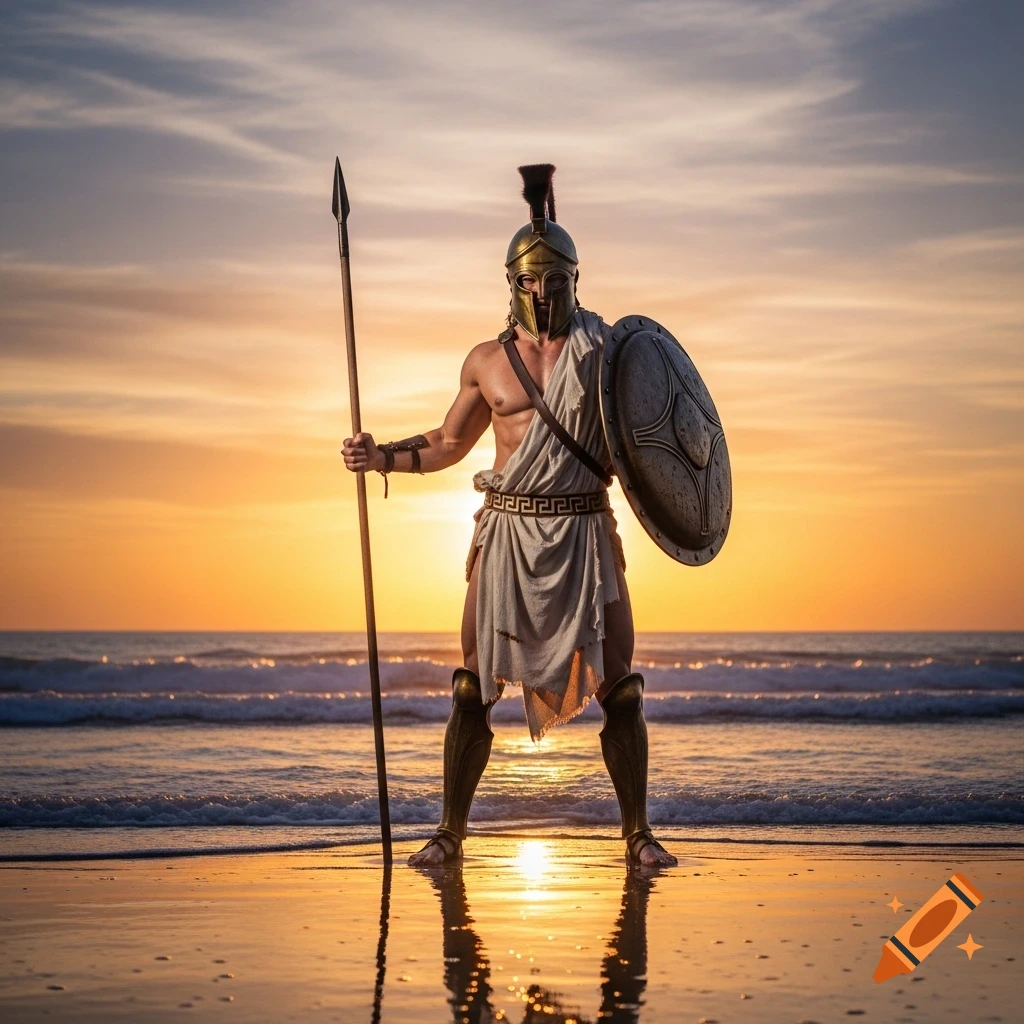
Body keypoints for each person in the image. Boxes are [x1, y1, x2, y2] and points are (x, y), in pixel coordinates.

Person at [342, 165, 676, 868]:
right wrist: (380, 457)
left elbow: (652, 442)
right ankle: (449, 832)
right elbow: (446, 443)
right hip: (507, 535)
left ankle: (638, 833)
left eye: (556, 280)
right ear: (513, 284)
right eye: (531, 281)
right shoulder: (485, 362)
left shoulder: (611, 352)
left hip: (585, 530)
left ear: (575, 279)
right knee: (471, 683)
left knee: (621, 682)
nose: (544, 293)